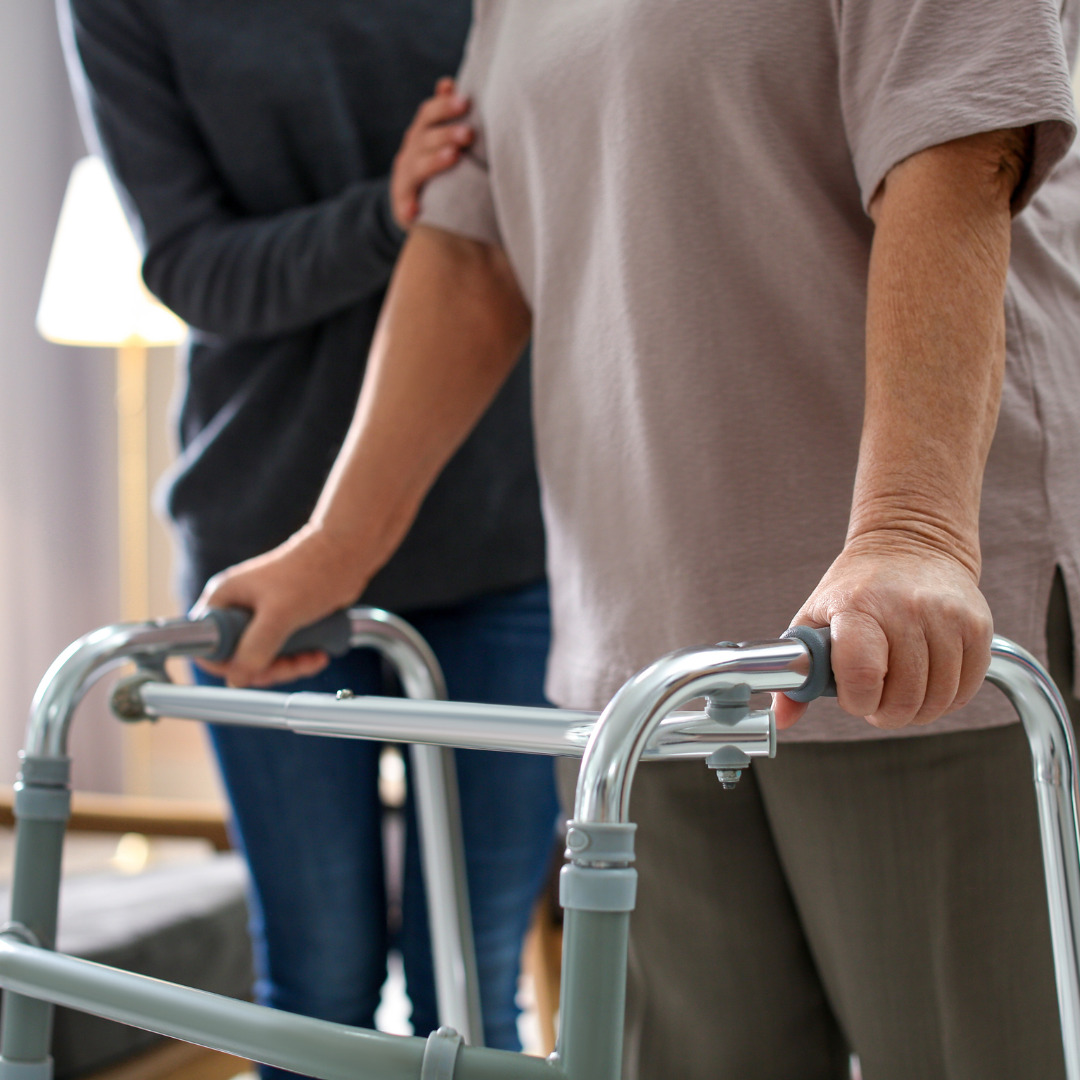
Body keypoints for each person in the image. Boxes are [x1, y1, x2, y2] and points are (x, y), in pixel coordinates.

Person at [197, 1, 1080, 1077]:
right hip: (647, 671)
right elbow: (474, 253)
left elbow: (959, 147)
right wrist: (336, 544)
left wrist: (914, 526)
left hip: (903, 646)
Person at [58, 0, 560, 1062]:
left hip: (503, 537)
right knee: (315, 983)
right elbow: (191, 268)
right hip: (268, 542)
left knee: (467, 988)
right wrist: (387, 209)